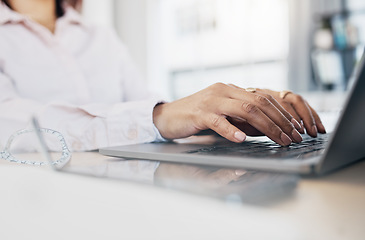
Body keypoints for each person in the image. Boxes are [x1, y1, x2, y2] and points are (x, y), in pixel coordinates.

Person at [0, 0, 326, 153]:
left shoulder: (100, 36)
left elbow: (150, 114)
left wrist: (218, 120)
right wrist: (159, 116)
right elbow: (8, 125)